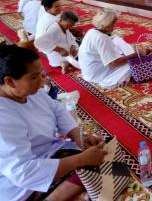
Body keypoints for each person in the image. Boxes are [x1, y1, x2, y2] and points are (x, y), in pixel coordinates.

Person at [0, 45, 107, 201]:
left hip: (50, 154)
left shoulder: (28, 91)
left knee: (104, 152)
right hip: (22, 184)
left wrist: (79, 137)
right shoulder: (3, 117)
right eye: (34, 77)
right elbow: (23, 172)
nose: (43, 81)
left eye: (41, 74)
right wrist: (81, 160)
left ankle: (78, 192)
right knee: (91, 168)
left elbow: (57, 110)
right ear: (10, 81)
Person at [78, 9, 145, 88]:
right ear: (107, 24)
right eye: (113, 23)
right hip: (97, 75)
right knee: (135, 63)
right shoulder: (102, 38)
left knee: (117, 40)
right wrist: (137, 54)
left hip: (88, 72)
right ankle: (113, 81)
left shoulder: (92, 31)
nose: (114, 26)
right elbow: (114, 64)